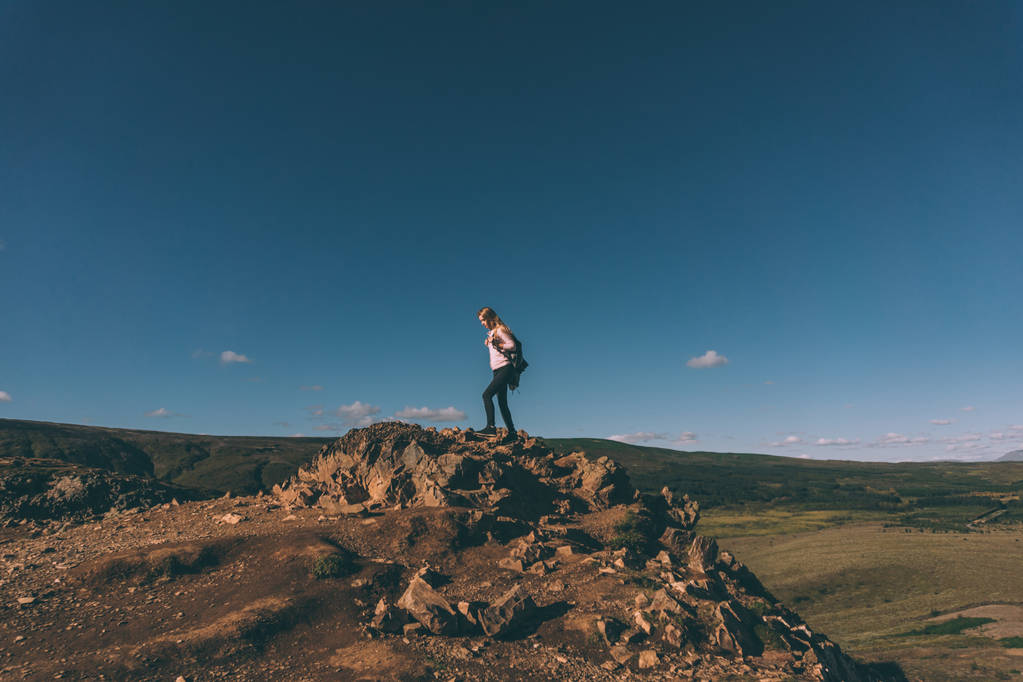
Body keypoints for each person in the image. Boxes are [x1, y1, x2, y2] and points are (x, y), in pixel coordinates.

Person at [477, 306, 518, 444]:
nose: (482, 323)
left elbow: (512, 345)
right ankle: (512, 433)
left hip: (505, 369)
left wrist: (498, 344)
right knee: (502, 402)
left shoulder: (500, 330)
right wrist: (490, 342)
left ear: (489, 318)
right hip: (497, 370)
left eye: (483, 320)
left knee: (486, 395)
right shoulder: (492, 333)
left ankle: (491, 428)